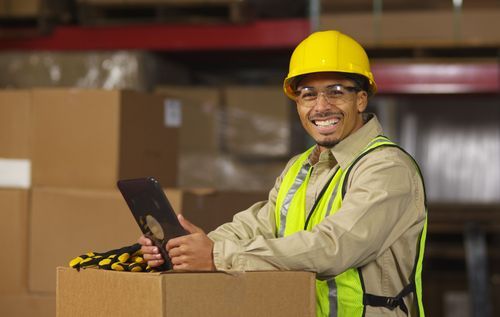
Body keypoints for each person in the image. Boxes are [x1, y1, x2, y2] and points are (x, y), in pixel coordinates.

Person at [139, 30, 427, 317]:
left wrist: (216, 256)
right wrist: (187, 248)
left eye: (336, 92)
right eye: (308, 95)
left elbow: (333, 247)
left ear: (361, 100)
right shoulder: (301, 166)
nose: (321, 106)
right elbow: (257, 225)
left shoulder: (387, 168)